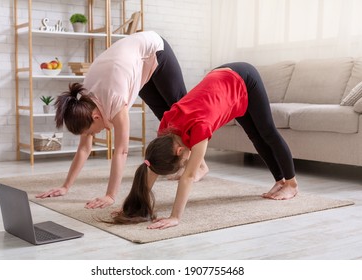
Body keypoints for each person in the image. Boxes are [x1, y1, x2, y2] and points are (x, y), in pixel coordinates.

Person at [112, 62, 299, 229]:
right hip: (222, 82)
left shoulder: (199, 128)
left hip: (243, 77)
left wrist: (175, 217)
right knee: (255, 136)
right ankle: (279, 181)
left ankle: (291, 183)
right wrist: (134, 204)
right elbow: (151, 165)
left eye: (183, 161)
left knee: (267, 132)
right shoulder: (167, 125)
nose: (187, 161)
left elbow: (188, 176)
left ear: (179, 151)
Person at [35, 31, 187, 209]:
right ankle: (197, 162)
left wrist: (110, 195)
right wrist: (65, 186)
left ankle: (198, 165)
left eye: (91, 132)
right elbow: (84, 148)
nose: (93, 134)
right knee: (167, 117)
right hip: (134, 64)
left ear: (96, 116)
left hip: (155, 49)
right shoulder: (85, 103)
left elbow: (121, 151)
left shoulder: (114, 100)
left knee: (183, 111)